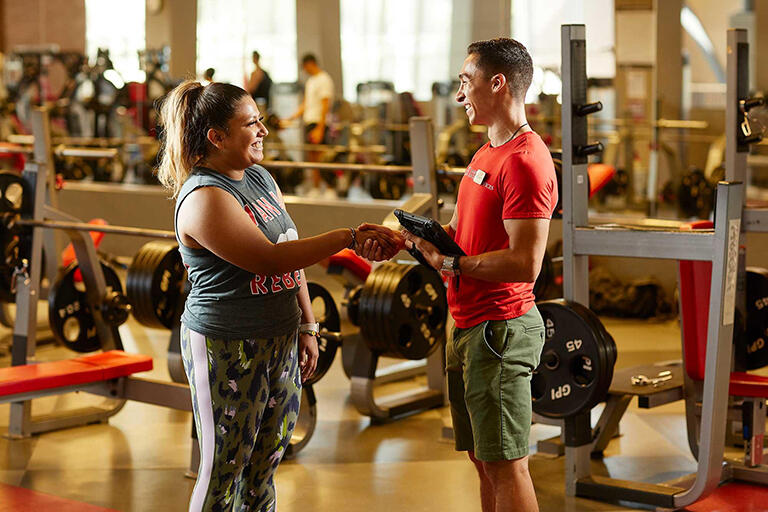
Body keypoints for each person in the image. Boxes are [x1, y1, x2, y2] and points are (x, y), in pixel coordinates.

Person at [155, 80, 403, 512]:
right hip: (226, 345)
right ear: (217, 137)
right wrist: (347, 236)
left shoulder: (260, 178)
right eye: (251, 123)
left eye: (261, 120)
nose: (263, 130)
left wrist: (307, 325)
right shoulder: (205, 196)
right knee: (225, 469)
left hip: (281, 338)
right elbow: (269, 259)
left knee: (266, 462)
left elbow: (291, 253)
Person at [401, 38, 557, 512]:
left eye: (466, 83)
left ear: (498, 83)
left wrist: (453, 265)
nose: (459, 95)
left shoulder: (525, 161)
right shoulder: (487, 152)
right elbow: (465, 233)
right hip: (468, 324)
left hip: (500, 331)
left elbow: (525, 263)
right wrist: (413, 240)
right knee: (482, 458)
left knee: (507, 464)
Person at [282, 54, 335, 195]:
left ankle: (329, 188)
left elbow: (325, 105)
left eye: (305, 67)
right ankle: (316, 187)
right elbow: (306, 103)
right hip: (309, 122)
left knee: (324, 158)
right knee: (313, 158)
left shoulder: (324, 79)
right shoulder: (311, 81)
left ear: (311, 63)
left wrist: (320, 128)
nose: (305, 70)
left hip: (319, 122)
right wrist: (291, 118)